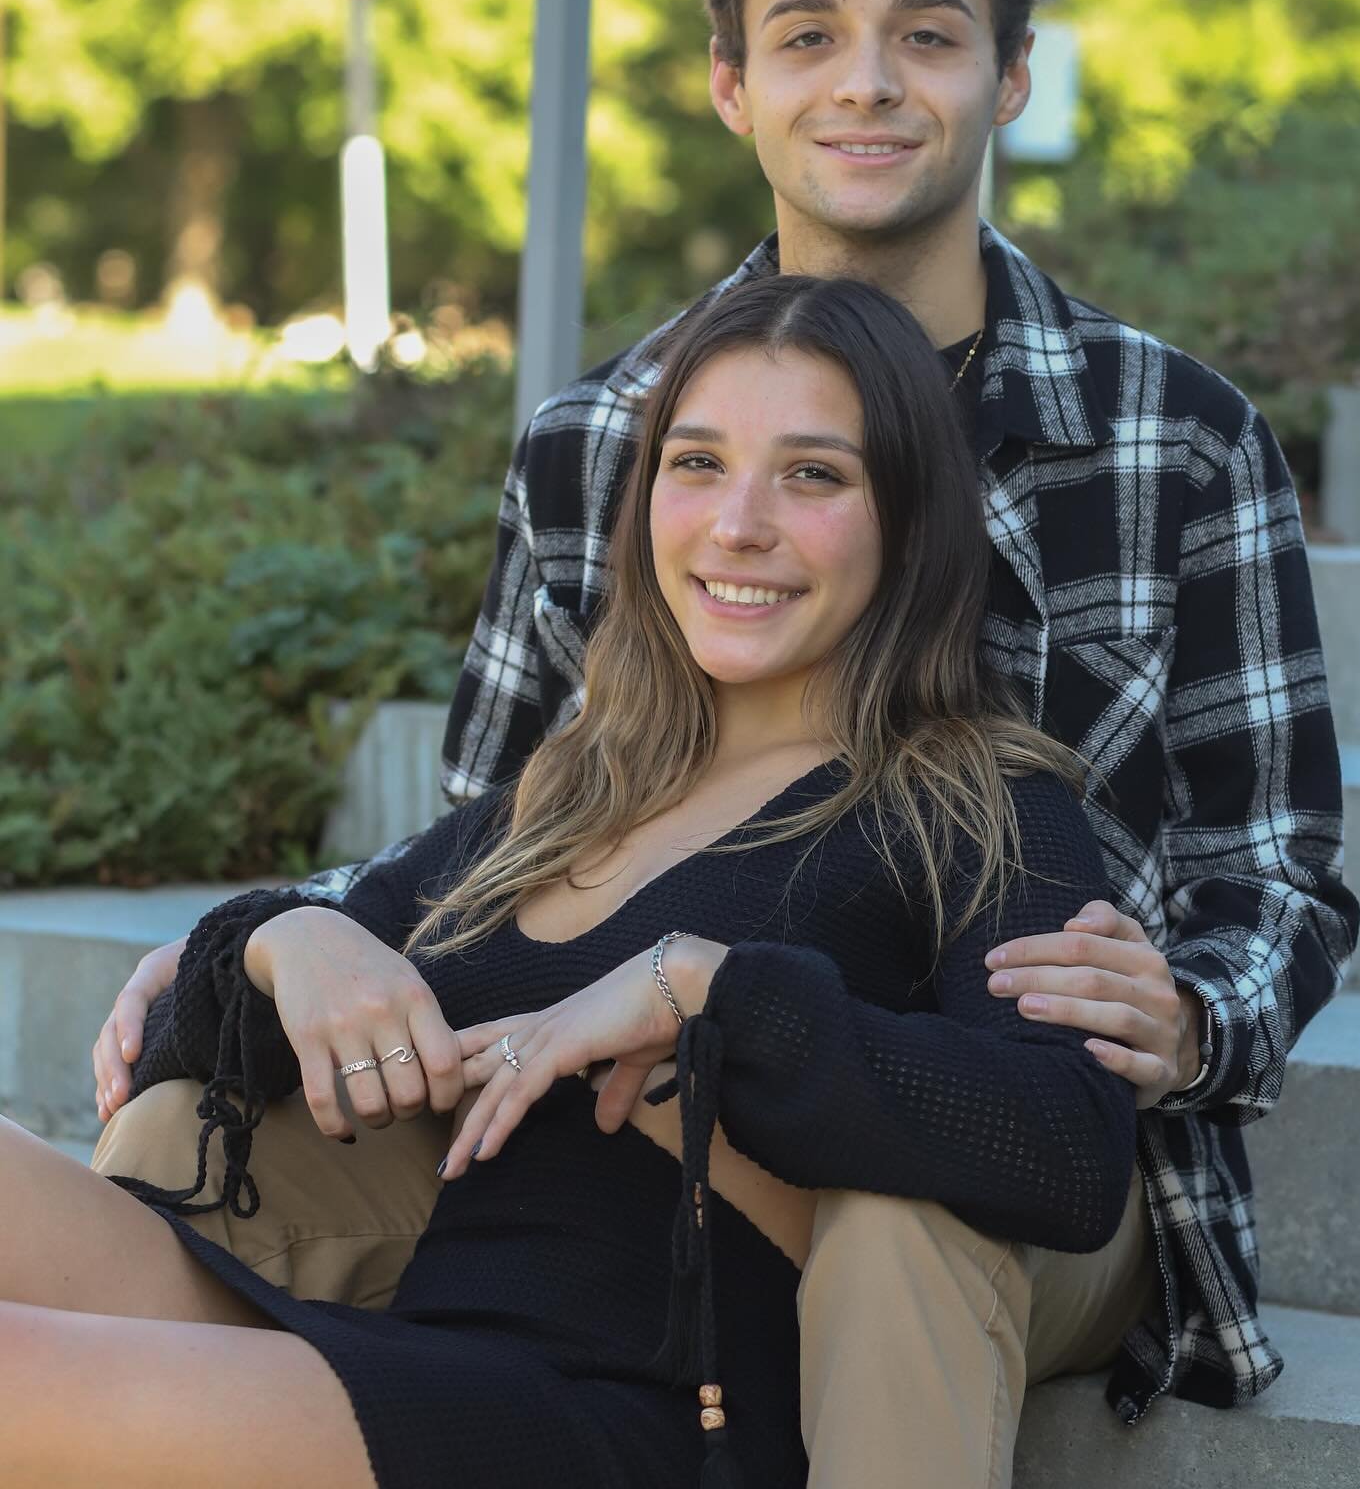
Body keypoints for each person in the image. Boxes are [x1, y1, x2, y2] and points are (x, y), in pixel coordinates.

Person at [91, 0, 1358, 1485]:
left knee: (911, 1198)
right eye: (810, 34)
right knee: (198, 1123)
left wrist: (1192, 1021)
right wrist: (286, 944)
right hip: (631, 1099)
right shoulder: (598, 438)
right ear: (731, 86)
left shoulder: (1175, 440)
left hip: (1005, 1123)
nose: (869, 83)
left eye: (928, 34)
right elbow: (513, 825)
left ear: (1012, 78)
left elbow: (1278, 868)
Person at [5, 274, 1137, 1488]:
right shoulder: (571, 791)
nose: (737, 524)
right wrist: (292, 942)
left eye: (813, 475)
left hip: (607, 1407)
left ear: (908, 520)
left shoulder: (973, 805)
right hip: (404, 1341)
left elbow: (1064, 1150)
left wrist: (706, 995)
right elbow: (194, 1053)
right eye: (697, 465)